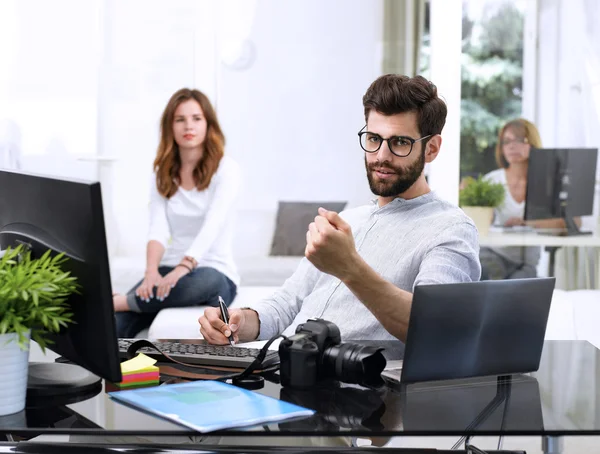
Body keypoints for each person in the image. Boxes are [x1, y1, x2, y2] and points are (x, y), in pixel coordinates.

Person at [199, 74, 481, 345]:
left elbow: (433, 328)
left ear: (431, 148)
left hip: (355, 388)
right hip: (284, 368)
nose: (381, 156)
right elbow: (287, 303)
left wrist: (349, 267)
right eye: (373, 139)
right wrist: (238, 322)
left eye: (400, 142)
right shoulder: (348, 221)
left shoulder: (451, 230)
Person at [113, 88, 241, 338]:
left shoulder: (227, 169)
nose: (188, 126)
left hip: (214, 272)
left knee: (204, 283)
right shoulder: (163, 171)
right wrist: (151, 272)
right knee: (114, 327)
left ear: (208, 124)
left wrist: (183, 268)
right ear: (170, 126)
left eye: (196, 118)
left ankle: (123, 301)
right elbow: (158, 229)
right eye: (180, 119)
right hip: (169, 270)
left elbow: (212, 225)